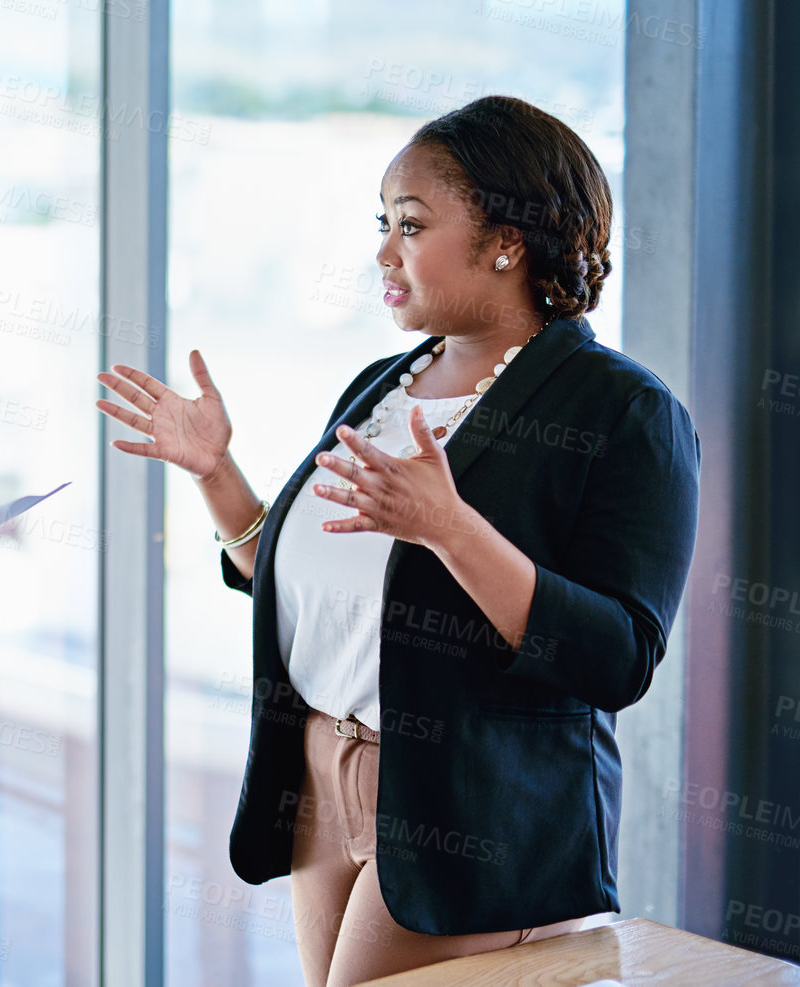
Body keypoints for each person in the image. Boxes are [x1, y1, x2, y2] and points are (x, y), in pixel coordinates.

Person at [97, 95, 701, 986]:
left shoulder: (624, 411)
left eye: (410, 225)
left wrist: (451, 529)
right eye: (382, 223)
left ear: (508, 239)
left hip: (470, 800)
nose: (383, 252)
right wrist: (215, 473)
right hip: (319, 770)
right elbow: (323, 584)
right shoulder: (380, 386)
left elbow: (618, 657)